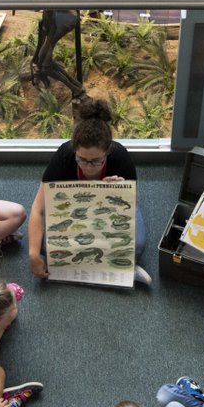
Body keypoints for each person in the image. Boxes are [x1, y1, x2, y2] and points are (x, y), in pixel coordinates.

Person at [26, 99, 151, 285]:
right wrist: (33, 254)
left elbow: (133, 203)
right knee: (45, 247)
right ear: (74, 150)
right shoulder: (64, 155)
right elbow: (38, 208)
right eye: (82, 160)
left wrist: (118, 191)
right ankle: (120, 269)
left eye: (96, 161)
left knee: (138, 245)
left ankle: (82, 269)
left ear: (108, 151)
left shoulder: (120, 156)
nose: (89, 167)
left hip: (109, 213)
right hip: (72, 214)